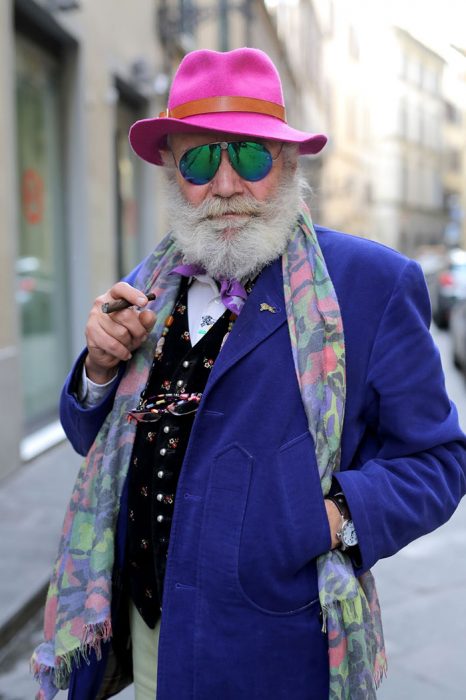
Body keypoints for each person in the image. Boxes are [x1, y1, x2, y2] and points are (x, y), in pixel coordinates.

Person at [32, 47, 466, 700]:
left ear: (289, 164)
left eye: (251, 157)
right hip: (147, 634)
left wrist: (330, 516)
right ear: (174, 174)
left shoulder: (370, 285)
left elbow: (438, 460)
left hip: (272, 649)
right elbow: (95, 436)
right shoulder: (145, 288)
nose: (227, 184)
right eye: (201, 160)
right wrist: (97, 368)